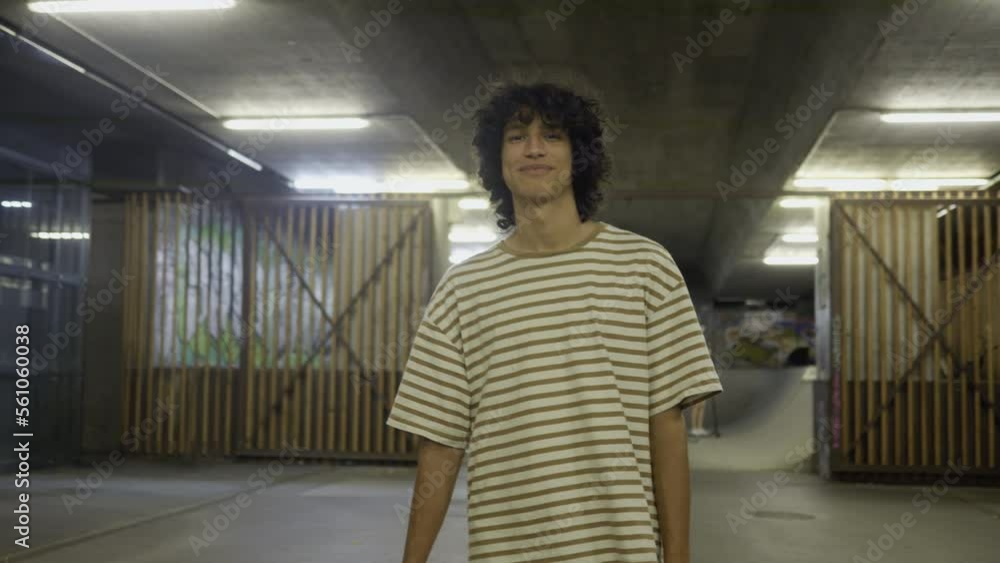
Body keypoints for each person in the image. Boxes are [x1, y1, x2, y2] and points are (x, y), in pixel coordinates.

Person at [386, 82, 723, 563]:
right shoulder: (462, 291)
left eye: (553, 135)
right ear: (496, 159)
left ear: (579, 155)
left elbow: (665, 426)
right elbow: (439, 444)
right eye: (517, 136)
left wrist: (679, 557)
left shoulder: (646, 268)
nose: (535, 148)